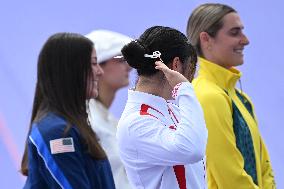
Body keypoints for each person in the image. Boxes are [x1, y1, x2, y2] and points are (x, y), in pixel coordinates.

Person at [186, 3, 276, 189]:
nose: (245, 40)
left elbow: (264, 166)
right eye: (235, 33)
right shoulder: (207, 95)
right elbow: (229, 178)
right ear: (206, 39)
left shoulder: (241, 98)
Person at [117, 26, 208, 189]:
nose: (192, 79)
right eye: (192, 69)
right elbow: (191, 149)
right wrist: (184, 89)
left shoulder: (172, 109)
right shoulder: (136, 122)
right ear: (176, 65)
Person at [20, 32, 116, 189]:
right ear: (70, 70)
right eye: (93, 63)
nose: (100, 71)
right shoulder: (56, 132)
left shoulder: (69, 127)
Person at [85, 29, 132, 189]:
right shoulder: (88, 120)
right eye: (121, 59)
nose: (130, 67)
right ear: (97, 66)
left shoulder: (109, 121)